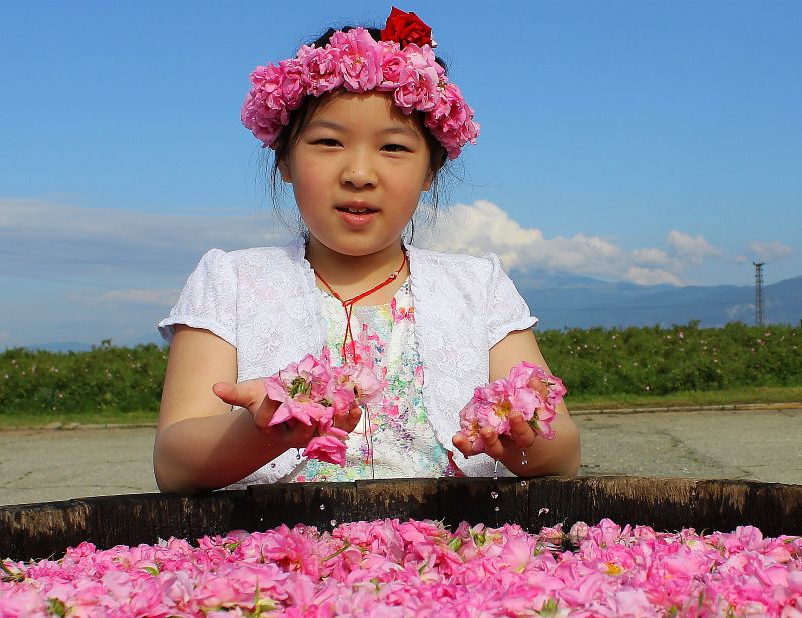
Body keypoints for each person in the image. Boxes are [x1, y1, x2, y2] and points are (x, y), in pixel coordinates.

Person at [154, 8, 580, 492]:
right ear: (285, 160)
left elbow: (563, 448)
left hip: (452, 554)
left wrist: (524, 442)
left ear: (430, 172)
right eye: (329, 141)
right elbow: (174, 462)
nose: (359, 173)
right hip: (278, 559)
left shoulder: (477, 287)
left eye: (393, 148)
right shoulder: (230, 281)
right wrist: (262, 432)